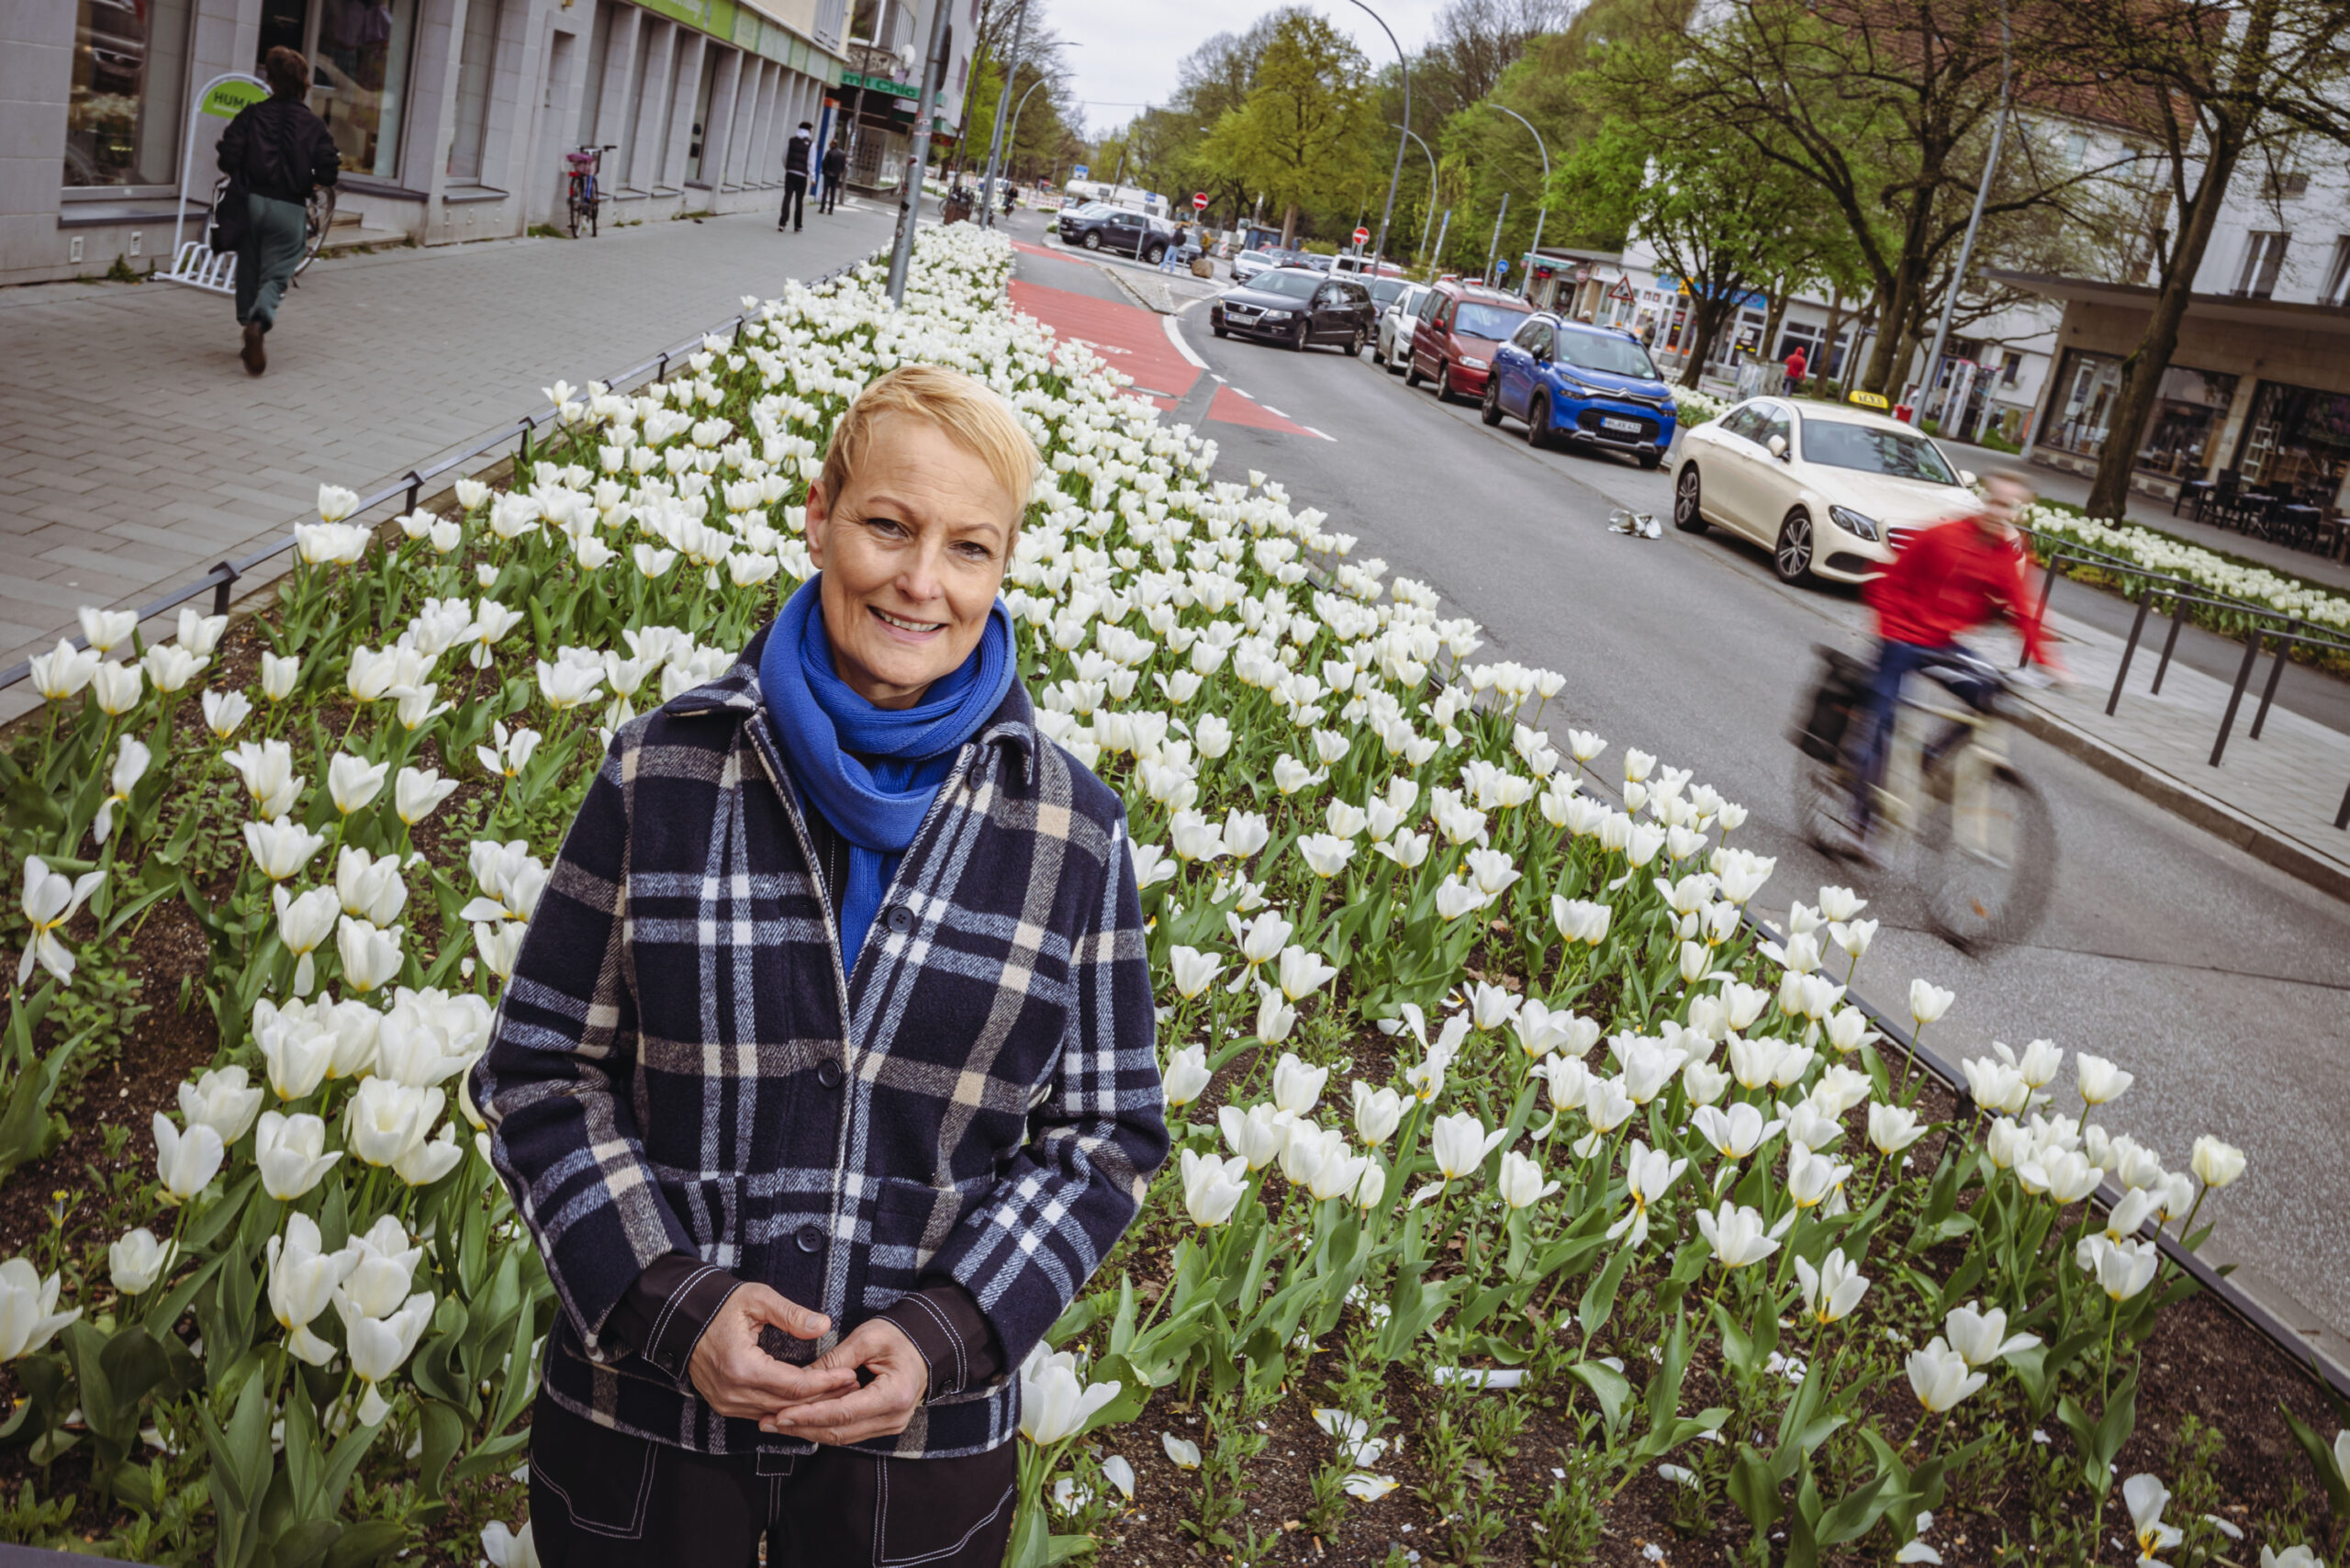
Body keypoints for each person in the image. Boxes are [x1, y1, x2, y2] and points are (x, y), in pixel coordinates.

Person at [473, 364, 1169, 1568]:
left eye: (969, 548)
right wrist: (669, 1305)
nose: (921, 581)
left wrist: (946, 1333)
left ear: (1002, 570)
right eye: (889, 526)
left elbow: (1104, 1139)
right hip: (648, 1430)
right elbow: (538, 1073)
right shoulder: (663, 774)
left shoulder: (1071, 828)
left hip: (912, 1467)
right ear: (820, 514)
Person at [1847, 470, 2064, 857]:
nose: (2000, 512)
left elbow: (2024, 609)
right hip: (1899, 635)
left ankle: (1932, 756)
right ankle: (1864, 824)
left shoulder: (2002, 556)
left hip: (1942, 644)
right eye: (1996, 502)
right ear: (1985, 500)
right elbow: (1885, 580)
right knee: (1882, 720)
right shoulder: (1941, 536)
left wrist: (2050, 665)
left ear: (2018, 514)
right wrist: (1893, 630)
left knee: (1992, 692)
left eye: (2010, 507)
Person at [216, 47, 339, 376]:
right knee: (278, 272)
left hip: (251, 200)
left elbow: (227, 154)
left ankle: (245, 321)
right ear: (304, 83)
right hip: (289, 206)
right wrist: (309, 176)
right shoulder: (314, 125)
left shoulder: (251, 115)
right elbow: (328, 172)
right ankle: (259, 320)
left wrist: (242, 172)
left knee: (250, 262)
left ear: (270, 80)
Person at [780, 120, 813, 231]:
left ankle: (782, 223)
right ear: (809, 130)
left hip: (790, 173)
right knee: (799, 201)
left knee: (787, 197)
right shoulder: (811, 144)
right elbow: (811, 162)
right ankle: (798, 225)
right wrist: (813, 177)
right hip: (802, 176)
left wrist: (788, 167)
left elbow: (784, 156)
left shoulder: (792, 141)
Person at [819, 133, 847, 215]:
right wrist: (839, 172)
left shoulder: (829, 153)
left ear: (833, 145)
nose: (829, 145)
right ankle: (830, 210)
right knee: (833, 192)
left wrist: (824, 171)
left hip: (827, 174)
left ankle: (822, 208)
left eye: (830, 144)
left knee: (825, 191)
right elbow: (843, 166)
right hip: (836, 175)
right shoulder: (842, 154)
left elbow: (824, 163)